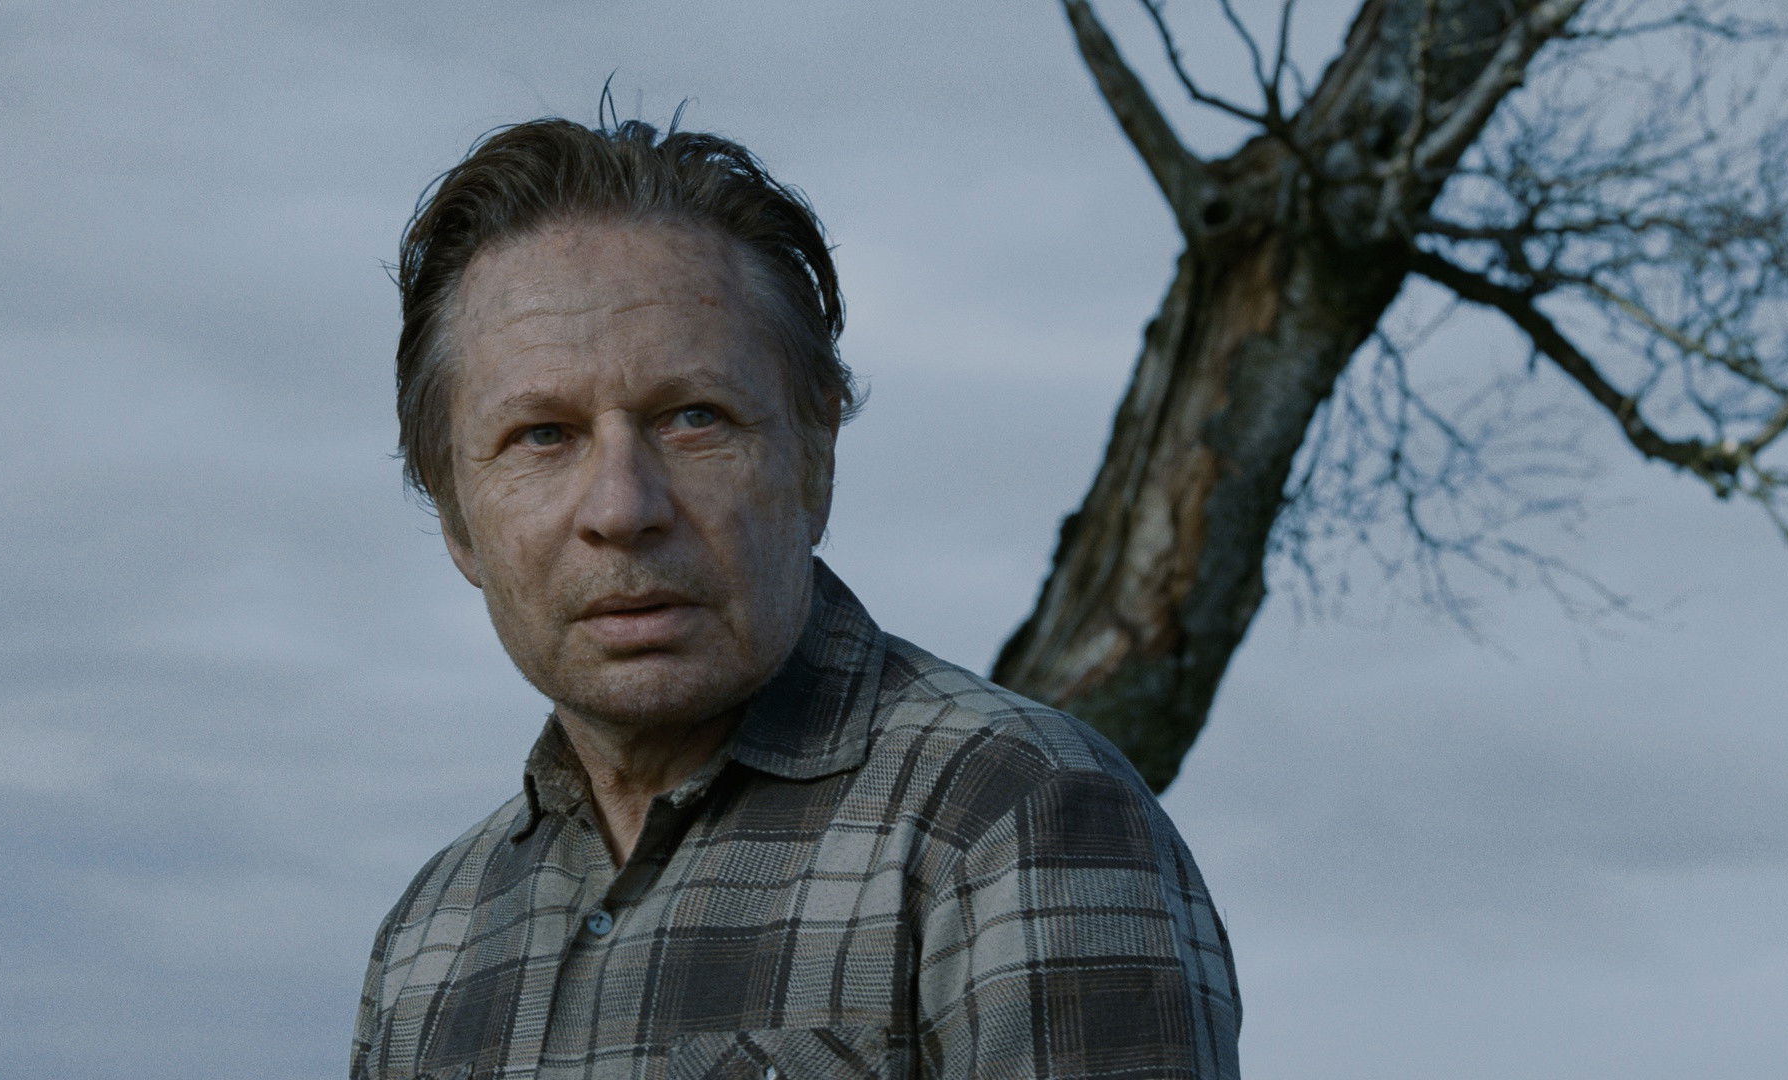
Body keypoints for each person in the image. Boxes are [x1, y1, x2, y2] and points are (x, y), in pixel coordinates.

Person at [352, 115, 1241, 1080]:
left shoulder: (1016, 816)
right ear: (456, 517)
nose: (622, 508)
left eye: (694, 418)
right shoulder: (428, 943)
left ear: (816, 458)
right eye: (541, 435)